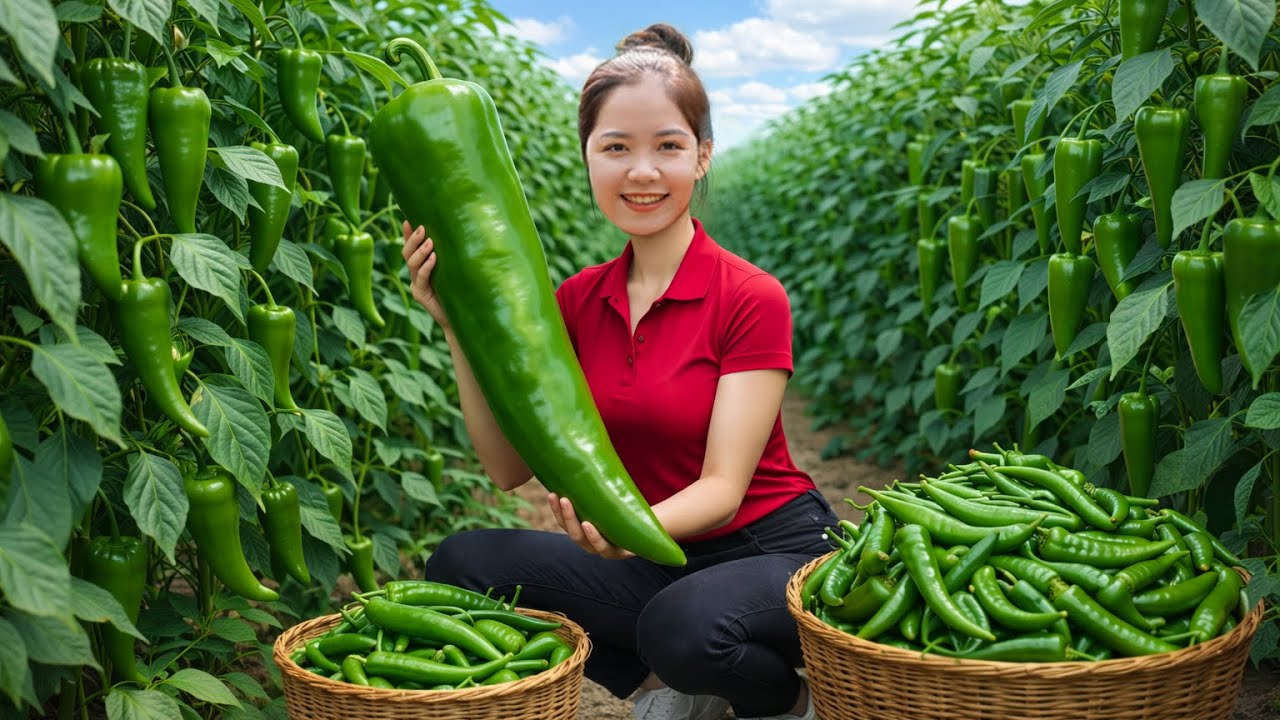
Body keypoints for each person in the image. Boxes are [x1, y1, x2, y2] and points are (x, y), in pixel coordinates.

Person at [401, 23, 835, 720]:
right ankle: (660, 692)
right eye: (616, 148)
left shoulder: (749, 295)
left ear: (702, 157)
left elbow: (722, 491)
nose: (642, 172)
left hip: (771, 549)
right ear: (588, 161)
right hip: (657, 557)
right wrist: (457, 329)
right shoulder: (575, 301)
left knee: (682, 626)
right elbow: (509, 471)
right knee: (464, 565)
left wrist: (618, 534)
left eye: (668, 146)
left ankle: (787, 702)